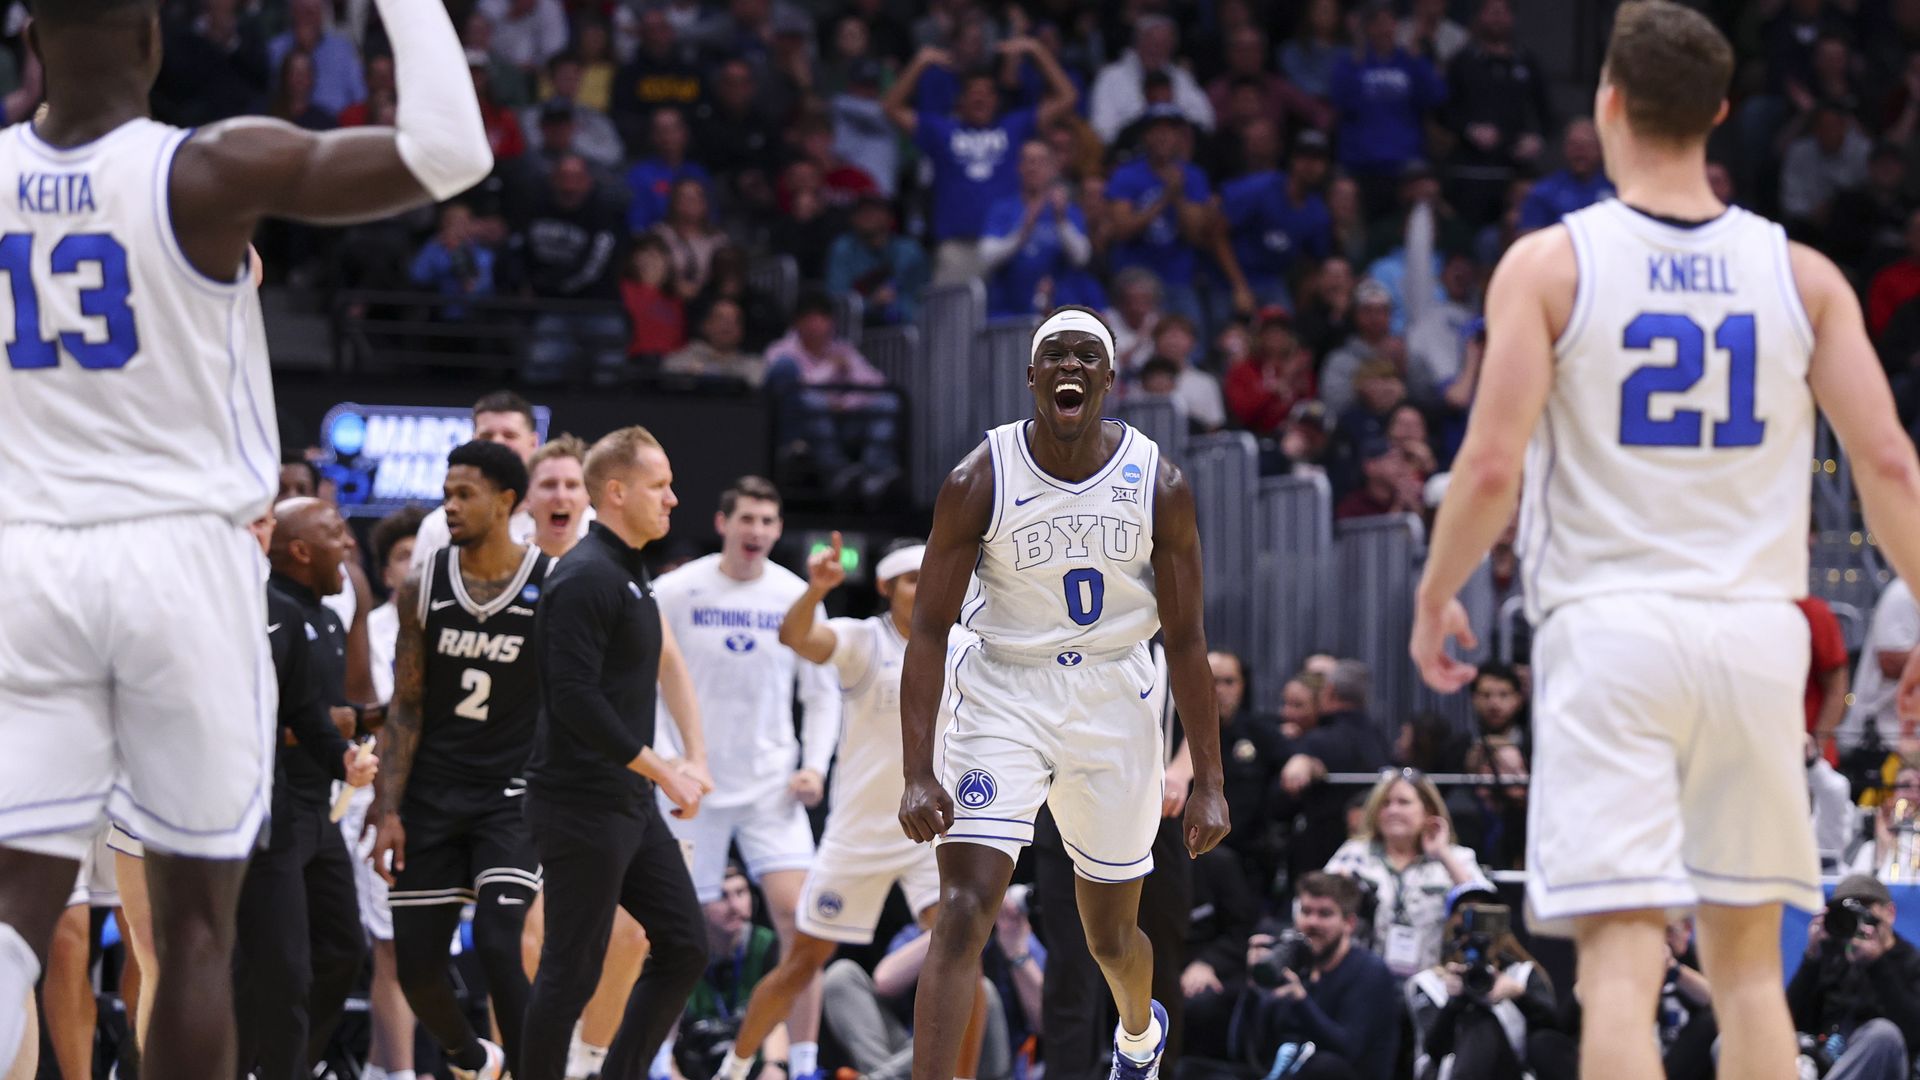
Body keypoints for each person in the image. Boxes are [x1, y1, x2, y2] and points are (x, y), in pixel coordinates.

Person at [1410, 5, 1920, 1078]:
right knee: (1745, 975)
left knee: (1621, 971)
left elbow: (1492, 467)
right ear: (1721, 113)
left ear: (1606, 102)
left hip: (1610, 632)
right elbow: (1887, 470)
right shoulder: (1805, 276)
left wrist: (1435, 594)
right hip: (1754, 637)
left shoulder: (1551, 265)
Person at [0, 0, 488, 1074]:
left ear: (33, 44)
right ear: (151, 44)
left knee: (9, 925)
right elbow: (451, 153)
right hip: (182, 560)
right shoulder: (205, 171)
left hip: (26, 556)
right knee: (195, 935)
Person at [897, 305, 1232, 1080]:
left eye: (1087, 356)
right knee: (962, 910)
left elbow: (1185, 640)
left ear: (1110, 379)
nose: (1071, 367)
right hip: (1004, 691)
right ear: (1033, 377)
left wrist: (1210, 780)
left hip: (1116, 693)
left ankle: (1140, 1036)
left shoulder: (1161, 483)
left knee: (1111, 937)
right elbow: (927, 630)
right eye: (1056, 357)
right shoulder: (978, 478)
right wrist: (918, 770)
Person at [718, 537, 963, 1080]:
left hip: (934, 833)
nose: (923, 587)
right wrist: (817, 591)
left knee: (963, 958)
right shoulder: (861, 640)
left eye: (931, 575)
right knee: (803, 962)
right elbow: (795, 635)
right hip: (859, 834)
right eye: (910, 579)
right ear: (885, 587)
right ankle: (734, 1069)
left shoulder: (964, 645)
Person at [521, 426, 714, 1080]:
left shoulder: (630, 568)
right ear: (615, 491)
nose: (673, 499)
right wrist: (664, 770)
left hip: (624, 801)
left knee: (685, 946)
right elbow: (572, 698)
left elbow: (665, 662)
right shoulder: (582, 576)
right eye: (659, 486)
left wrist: (693, 757)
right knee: (569, 972)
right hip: (578, 803)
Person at [370, 441, 549, 1078]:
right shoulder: (423, 588)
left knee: (501, 944)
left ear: (506, 502)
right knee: (417, 969)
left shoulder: (549, 586)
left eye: (463, 494)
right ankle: (475, 1058)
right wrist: (387, 809)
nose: (449, 506)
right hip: (432, 797)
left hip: (511, 798)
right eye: (446, 494)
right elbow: (407, 707)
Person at [651, 477, 840, 1080]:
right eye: (747, 519)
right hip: (691, 788)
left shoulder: (797, 595)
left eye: (767, 521)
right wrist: (663, 760)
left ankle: (802, 1063)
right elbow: (642, 681)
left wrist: (814, 766)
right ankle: (657, 1062)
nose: (756, 531)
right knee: (671, 932)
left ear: (778, 531)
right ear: (722, 523)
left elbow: (823, 693)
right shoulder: (675, 591)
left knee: (804, 922)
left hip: (770, 790)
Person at [238, 498, 382, 1080]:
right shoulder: (265, 613)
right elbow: (271, 721)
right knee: (281, 970)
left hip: (317, 811)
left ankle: (286, 1062)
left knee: (343, 951)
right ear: (300, 550)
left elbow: (311, 715)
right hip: (271, 814)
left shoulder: (326, 618)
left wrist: (348, 745)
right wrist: (335, 734)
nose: (347, 543)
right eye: (334, 533)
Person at [883, 37, 1078, 285]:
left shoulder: (1014, 127)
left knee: (1009, 321)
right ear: (960, 102)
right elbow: (890, 108)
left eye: (987, 93)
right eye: (973, 94)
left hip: (1009, 241)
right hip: (959, 246)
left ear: (996, 101)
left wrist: (1036, 50)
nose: (980, 98)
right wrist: (921, 62)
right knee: (953, 321)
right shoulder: (941, 131)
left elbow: (1067, 97)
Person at [1230, 872, 1400, 1080]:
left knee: (1323, 1066)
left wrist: (1300, 1000)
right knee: (1191, 1068)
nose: (1312, 922)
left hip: (1341, 1074)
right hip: (1284, 1071)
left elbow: (1348, 1050)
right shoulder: (1292, 963)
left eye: (1325, 914)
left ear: (1349, 923)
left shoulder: (1370, 971)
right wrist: (1253, 987)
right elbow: (1241, 1051)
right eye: (1306, 911)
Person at [1326, 770, 1492, 979]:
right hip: (1363, 982)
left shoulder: (1455, 857)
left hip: (1436, 981)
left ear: (1428, 810)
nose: (1392, 810)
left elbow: (1489, 915)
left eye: (1403, 802)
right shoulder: (1353, 854)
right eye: (1385, 804)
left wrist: (1442, 854)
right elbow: (1308, 907)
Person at [1405, 893, 1564, 1080]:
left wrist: (1521, 998)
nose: (1475, 924)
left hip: (1510, 1069)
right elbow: (1433, 1050)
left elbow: (1555, 1039)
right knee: (1479, 1024)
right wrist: (1454, 1003)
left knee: (1486, 1024)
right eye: (1466, 911)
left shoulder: (1521, 974)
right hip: (1449, 1071)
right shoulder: (1428, 982)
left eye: (1484, 908)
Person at [1788, 875, 1920, 1080]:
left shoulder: (1910, 961)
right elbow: (1789, 1021)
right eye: (1848, 911)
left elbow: (1913, 1034)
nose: (1858, 919)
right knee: (1740, 1037)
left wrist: (1877, 963)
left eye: (1865, 908)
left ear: (1890, 913)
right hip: (1823, 1062)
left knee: (1882, 1035)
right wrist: (1812, 958)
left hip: (1882, 1065)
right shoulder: (1832, 957)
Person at [1515, 119, 1614, 234]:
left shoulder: (1619, 186)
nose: (1580, 152)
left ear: (1601, 148)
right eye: (1573, 145)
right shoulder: (1544, 191)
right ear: (1564, 148)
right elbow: (1529, 236)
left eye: (1587, 145)